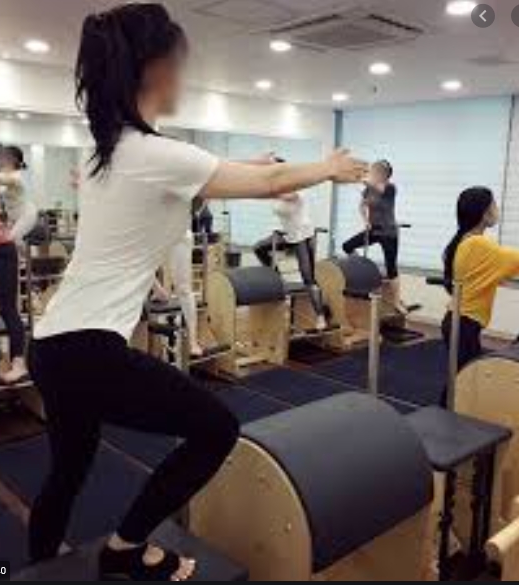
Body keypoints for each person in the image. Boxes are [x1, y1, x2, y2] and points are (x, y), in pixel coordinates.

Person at [28, 3, 367, 582]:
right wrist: (327, 166)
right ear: (154, 69)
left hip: (51, 344)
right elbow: (265, 182)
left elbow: (191, 177)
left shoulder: (108, 149)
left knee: (68, 470)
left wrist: (245, 164)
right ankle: (126, 547)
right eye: (178, 63)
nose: (182, 75)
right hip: (88, 350)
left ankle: (36, 570)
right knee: (215, 429)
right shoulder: (156, 154)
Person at [442, 187, 519, 370]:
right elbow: (513, 259)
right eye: (494, 205)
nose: (497, 209)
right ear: (484, 213)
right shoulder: (478, 244)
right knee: (467, 378)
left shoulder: (465, 239)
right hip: (464, 324)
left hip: (460, 321)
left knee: (467, 376)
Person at [254, 157, 327, 330]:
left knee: (308, 279)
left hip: (303, 236)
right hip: (286, 235)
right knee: (259, 248)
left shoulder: (295, 187)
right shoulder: (277, 188)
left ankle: (321, 316)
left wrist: (266, 188)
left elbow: (289, 196)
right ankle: (277, 279)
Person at [342, 160, 406, 313]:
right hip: (374, 230)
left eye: (375, 171)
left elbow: (378, 188)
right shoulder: (368, 189)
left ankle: (396, 302)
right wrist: (366, 221)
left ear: (384, 175)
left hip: (389, 232)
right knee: (347, 246)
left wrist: (360, 178)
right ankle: (362, 268)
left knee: (391, 268)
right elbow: (362, 205)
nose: (372, 173)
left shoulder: (390, 188)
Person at [0, 146, 32, 384]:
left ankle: (19, 363)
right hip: (6, 243)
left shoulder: (15, 178)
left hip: (4, 249)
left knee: (8, 308)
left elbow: (5, 178)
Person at [152, 230, 203, 357]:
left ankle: (193, 340)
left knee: (183, 288)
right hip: (152, 232)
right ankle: (159, 291)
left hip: (178, 234)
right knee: (136, 266)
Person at [0, 146, 38, 243]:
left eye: (2, 159)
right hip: (11, 215)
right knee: (12, 242)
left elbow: (6, 180)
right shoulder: (2, 176)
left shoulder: (18, 175)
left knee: (9, 240)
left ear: (13, 160)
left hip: (26, 214)